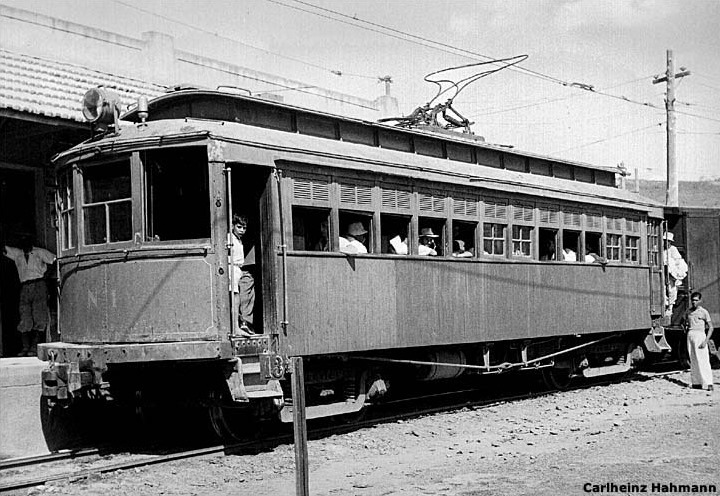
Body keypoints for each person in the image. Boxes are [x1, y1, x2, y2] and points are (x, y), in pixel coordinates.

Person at [4, 236, 56, 356]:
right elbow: (4, 249)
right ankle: (25, 347)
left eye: (26, 241)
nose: (24, 244)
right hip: (25, 286)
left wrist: (46, 276)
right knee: (25, 316)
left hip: (39, 284)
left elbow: (54, 260)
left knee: (39, 315)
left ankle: (34, 347)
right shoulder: (17, 254)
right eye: (22, 241)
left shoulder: (39, 252)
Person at [230, 214, 256, 337]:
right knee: (235, 297)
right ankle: (236, 326)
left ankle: (245, 322)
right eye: (239, 227)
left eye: (244, 228)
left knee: (248, 288)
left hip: (238, 269)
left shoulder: (239, 240)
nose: (242, 230)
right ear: (232, 226)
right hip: (232, 268)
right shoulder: (230, 238)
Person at [683, 292, 714, 391]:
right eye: (693, 300)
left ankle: (709, 383)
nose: (694, 302)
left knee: (703, 359)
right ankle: (696, 383)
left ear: (700, 301)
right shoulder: (688, 312)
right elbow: (684, 322)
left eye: (696, 300)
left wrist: (705, 341)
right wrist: (685, 327)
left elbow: (711, 327)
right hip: (690, 334)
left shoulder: (704, 312)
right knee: (693, 359)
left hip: (700, 335)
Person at [664, 232, 688, 316]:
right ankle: (665, 304)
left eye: (668, 241)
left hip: (672, 272)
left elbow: (677, 261)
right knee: (663, 288)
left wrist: (673, 268)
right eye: (665, 241)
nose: (667, 243)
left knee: (672, 289)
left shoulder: (673, 249)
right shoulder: (659, 248)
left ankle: (670, 307)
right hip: (663, 271)